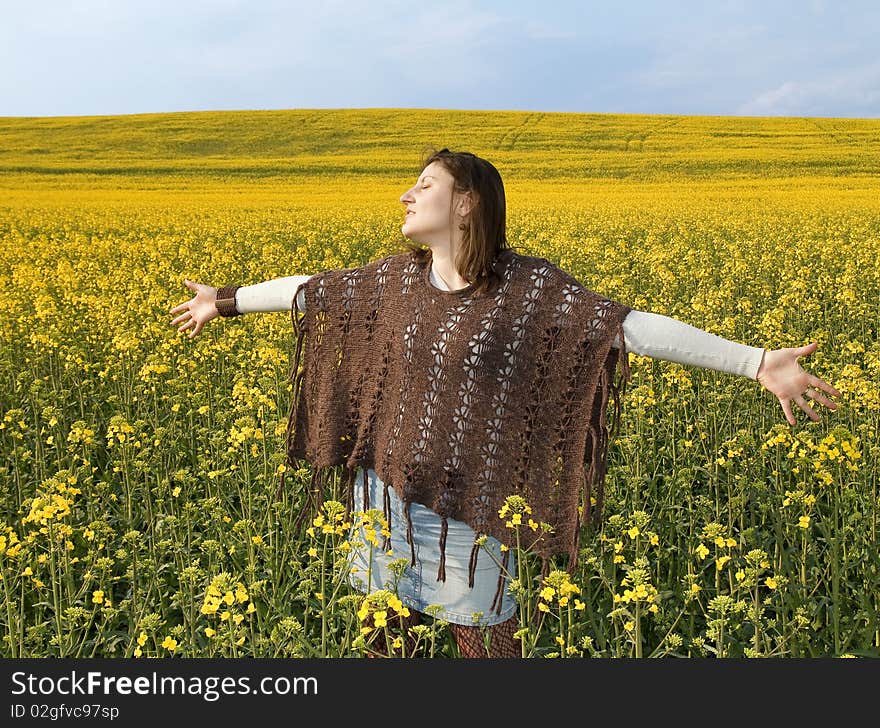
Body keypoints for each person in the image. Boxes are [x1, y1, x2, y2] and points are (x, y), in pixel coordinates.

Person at [169, 148, 840, 658]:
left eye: (425, 185)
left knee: (489, 649)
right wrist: (222, 301)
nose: (406, 195)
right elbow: (310, 292)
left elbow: (624, 327)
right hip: (380, 501)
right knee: (382, 646)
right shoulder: (394, 281)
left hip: (475, 509)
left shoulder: (526, 290)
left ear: (467, 203)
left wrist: (755, 363)